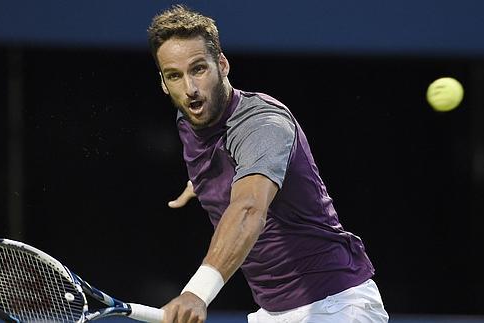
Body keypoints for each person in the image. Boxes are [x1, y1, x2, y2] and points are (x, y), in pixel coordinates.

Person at [147, 4, 389, 323]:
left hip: (335, 304)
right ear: (164, 83)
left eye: (199, 69)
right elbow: (223, 158)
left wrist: (197, 292)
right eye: (175, 76)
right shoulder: (188, 118)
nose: (190, 88)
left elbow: (248, 208)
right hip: (272, 311)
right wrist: (204, 183)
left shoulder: (264, 125)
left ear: (222, 64)